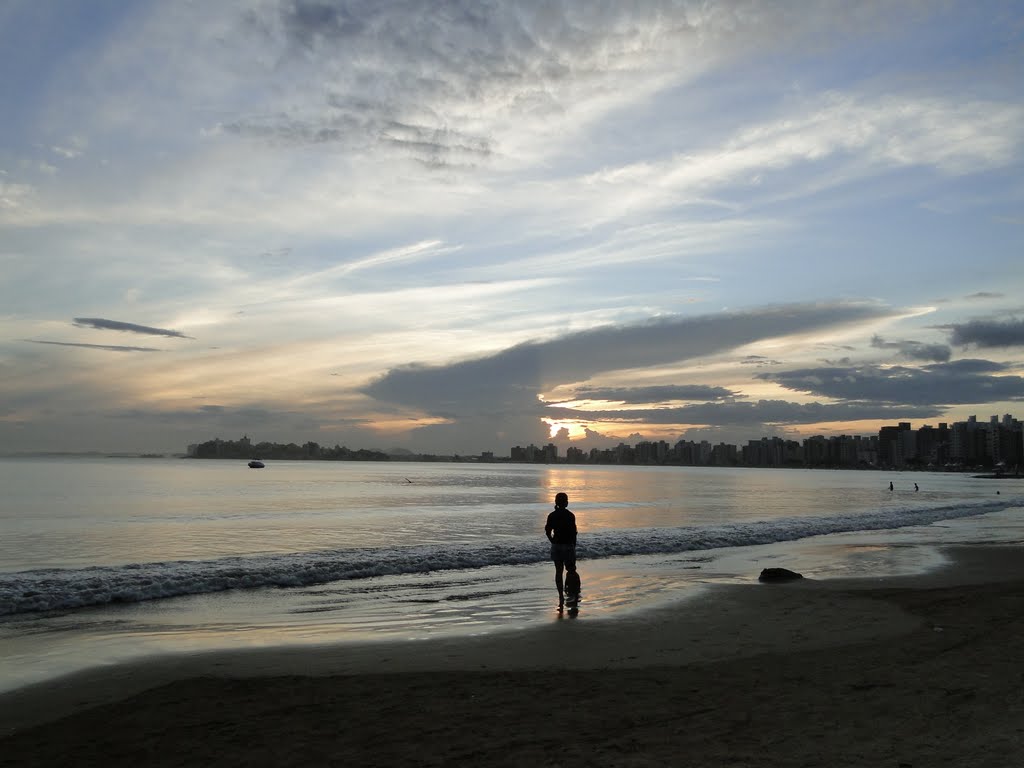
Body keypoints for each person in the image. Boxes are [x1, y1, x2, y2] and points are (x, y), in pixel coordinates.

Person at [545, 491, 577, 610]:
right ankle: (572, 592)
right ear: (567, 503)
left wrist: (552, 541)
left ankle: (560, 596)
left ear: (556, 502)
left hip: (557, 546)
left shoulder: (552, 515)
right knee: (571, 570)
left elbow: (548, 532)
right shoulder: (570, 515)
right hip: (568, 545)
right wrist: (574, 546)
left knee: (559, 572)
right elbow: (574, 533)